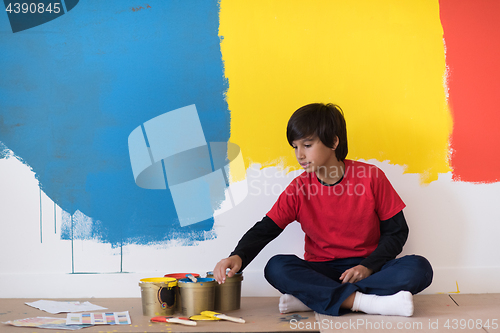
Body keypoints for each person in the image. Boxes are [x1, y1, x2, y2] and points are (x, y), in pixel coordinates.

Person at [213, 103, 433, 317]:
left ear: (334, 142)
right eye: (295, 147)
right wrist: (238, 256)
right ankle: (365, 302)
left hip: (368, 268)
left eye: (307, 145)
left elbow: (396, 232)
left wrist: (367, 267)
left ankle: (313, 297)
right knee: (276, 267)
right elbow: (266, 229)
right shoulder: (299, 188)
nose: (299, 155)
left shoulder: (371, 177)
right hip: (321, 271)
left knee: (419, 268)